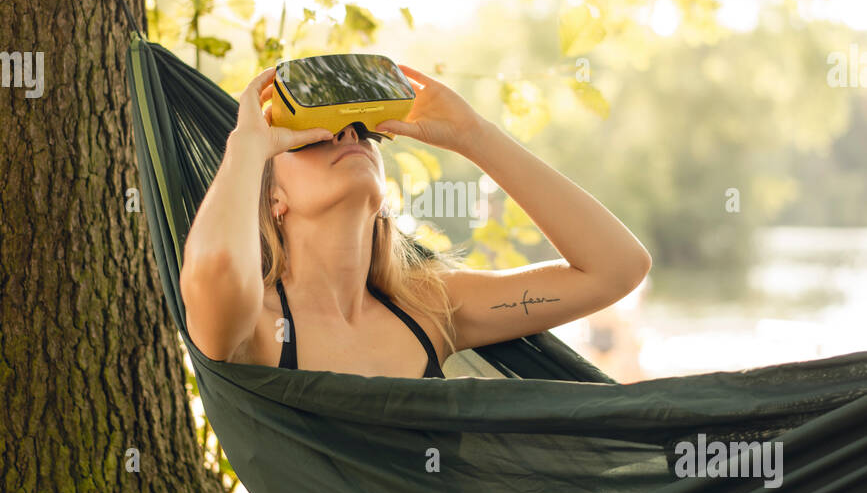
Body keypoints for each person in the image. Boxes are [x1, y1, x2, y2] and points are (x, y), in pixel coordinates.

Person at [180, 62, 652, 379]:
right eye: (309, 137)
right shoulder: (253, 325)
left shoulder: (432, 307)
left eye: (364, 131)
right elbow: (218, 264)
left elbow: (618, 268)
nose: (346, 133)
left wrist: (475, 137)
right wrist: (246, 143)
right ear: (273, 197)